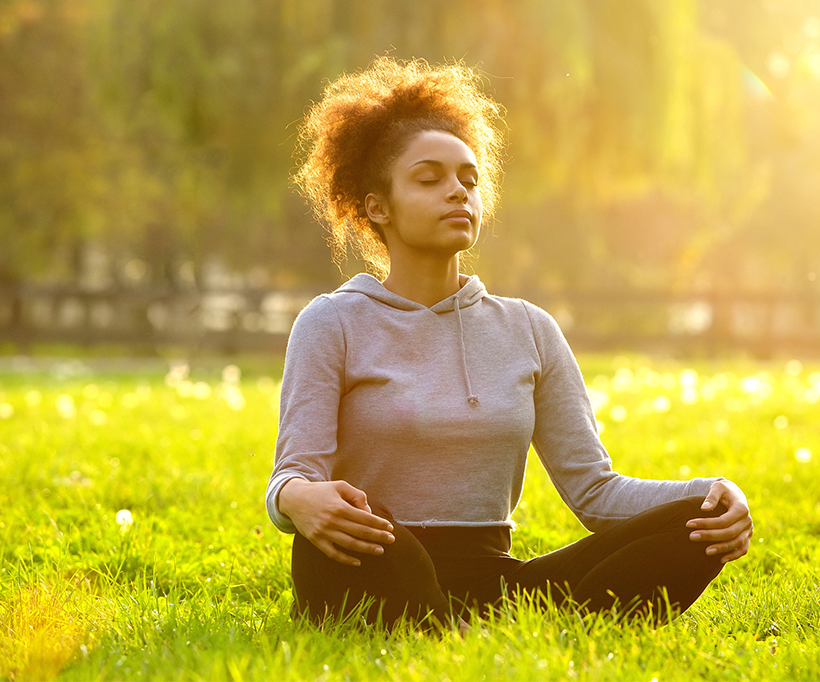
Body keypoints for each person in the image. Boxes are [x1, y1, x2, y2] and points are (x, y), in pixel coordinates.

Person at [266, 57, 753, 631]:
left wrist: (714, 495)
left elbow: (595, 491)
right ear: (378, 206)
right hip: (374, 559)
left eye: (469, 180)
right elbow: (293, 474)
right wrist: (298, 500)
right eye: (430, 179)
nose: (457, 193)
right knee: (374, 544)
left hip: (494, 581)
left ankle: (455, 626)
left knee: (697, 526)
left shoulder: (528, 329)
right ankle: (457, 625)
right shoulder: (331, 322)